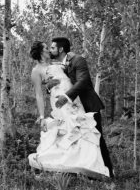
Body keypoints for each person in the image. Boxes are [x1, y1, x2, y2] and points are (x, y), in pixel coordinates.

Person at [28, 40, 110, 178]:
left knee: (82, 128)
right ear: (41, 52)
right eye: (47, 48)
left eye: (51, 47)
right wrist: (42, 116)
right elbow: (38, 94)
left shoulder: (59, 64)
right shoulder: (36, 71)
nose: (49, 50)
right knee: (68, 129)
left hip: (74, 100)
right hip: (60, 102)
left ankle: (87, 164)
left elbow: (71, 77)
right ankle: (64, 165)